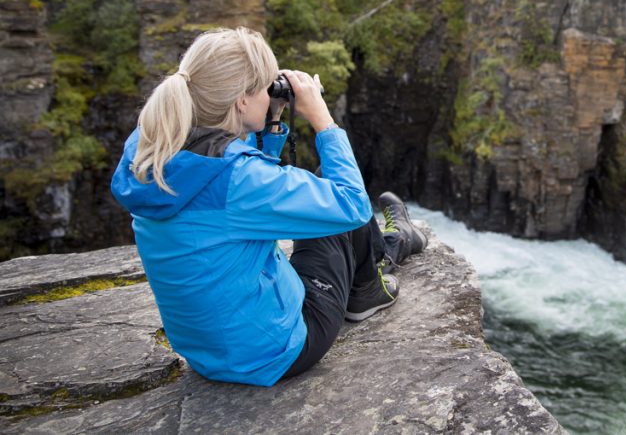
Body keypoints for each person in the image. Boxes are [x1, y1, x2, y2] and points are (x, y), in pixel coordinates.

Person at [110, 27, 426, 386]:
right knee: (329, 191)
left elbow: (242, 196)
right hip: (277, 349)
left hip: (209, 352)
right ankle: (375, 278)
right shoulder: (238, 179)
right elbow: (351, 205)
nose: (270, 94)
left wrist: (271, 122)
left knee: (315, 201)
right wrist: (323, 119)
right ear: (242, 101)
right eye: (264, 87)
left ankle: (393, 242)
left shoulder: (153, 145)